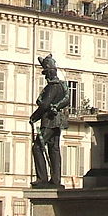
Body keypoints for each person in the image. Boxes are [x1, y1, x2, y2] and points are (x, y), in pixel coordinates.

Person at [29, 54, 70, 188]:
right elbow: (66, 99)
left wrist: (34, 117)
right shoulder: (61, 86)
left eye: (46, 73)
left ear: (49, 73)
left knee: (37, 147)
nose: (45, 76)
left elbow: (45, 104)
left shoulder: (52, 87)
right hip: (58, 122)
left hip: (49, 121)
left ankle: (42, 178)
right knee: (54, 149)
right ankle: (56, 180)